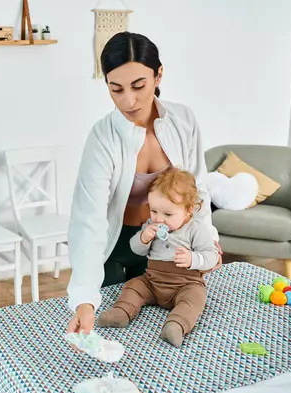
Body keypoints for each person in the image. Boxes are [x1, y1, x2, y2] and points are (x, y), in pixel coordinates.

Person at [66, 32, 222, 335]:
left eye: (139, 86)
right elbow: (89, 220)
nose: (129, 100)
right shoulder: (102, 138)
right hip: (113, 244)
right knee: (115, 323)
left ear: (158, 74)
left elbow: (197, 189)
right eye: (116, 89)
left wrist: (208, 240)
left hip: (165, 244)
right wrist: (83, 297)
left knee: (163, 323)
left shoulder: (183, 120)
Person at [96, 167, 219, 347]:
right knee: (134, 286)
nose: (159, 219)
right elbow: (137, 250)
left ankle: (176, 325)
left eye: (168, 214)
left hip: (185, 284)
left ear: (188, 210)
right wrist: (143, 238)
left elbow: (212, 255)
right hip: (153, 282)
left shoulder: (196, 229)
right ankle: (121, 312)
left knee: (195, 299)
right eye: (154, 211)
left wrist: (193, 259)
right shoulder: (151, 225)